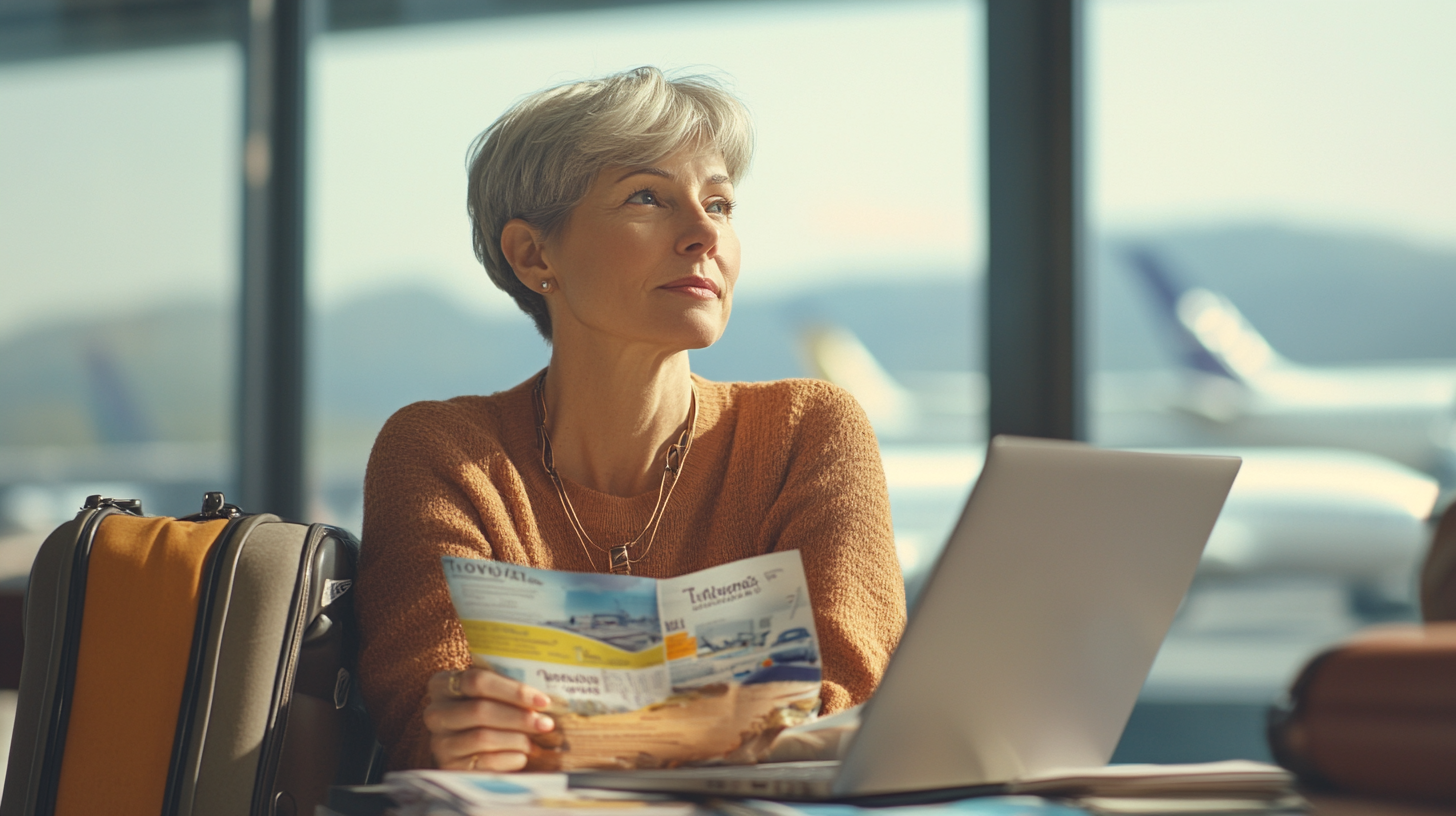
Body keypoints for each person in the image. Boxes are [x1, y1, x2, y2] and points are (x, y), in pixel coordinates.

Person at [356, 66, 906, 773]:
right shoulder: (443, 453)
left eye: (720, 202)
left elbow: (850, 715)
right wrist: (740, 721)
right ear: (533, 254)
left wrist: (566, 736)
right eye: (648, 197)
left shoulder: (809, 430)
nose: (705, 232)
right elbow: (436, 735)